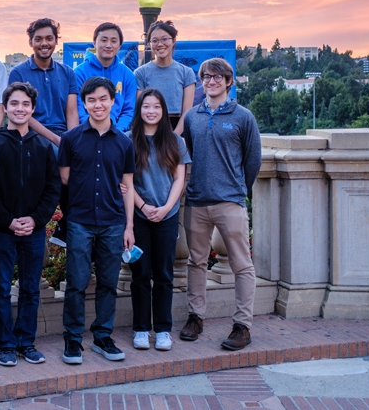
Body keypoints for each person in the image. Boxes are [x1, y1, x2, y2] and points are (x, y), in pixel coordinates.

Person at [180, 58, 262, 351]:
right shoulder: (192, 117)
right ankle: (195, 317)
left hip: (230, 202)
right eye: (206, 77)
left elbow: (252, 162)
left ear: (229, 81)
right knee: (196, 262)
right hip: (197, 201)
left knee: (242, 265)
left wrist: (237, 191)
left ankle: (242, 325)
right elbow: (186, 156)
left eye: (217, 77)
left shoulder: (243, 117)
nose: (211, 81)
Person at [59, 76, 136, 365]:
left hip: (113, 222)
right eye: (91, 100)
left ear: (112, 102)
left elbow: (128, 185)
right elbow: (65, 178)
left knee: (107, 282)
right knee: (76, 283)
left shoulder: (124, 143)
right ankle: (73, 338)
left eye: (103, 98)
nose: (97, 104)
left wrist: (129, 226)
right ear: (85, 103)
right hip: (79, 220)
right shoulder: (71, 139)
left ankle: (103, 336)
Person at [0, 82, 60, 367]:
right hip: (3, 230)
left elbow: (52, 189)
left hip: (33, 230)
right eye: (14, 104)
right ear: (5, 108)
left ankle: (26, 342)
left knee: (31, 288)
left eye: (25, 104)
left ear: (33, 109)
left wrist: (35, 219)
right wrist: (8, 221)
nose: (20, 109)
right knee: (2, 287)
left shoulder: (43, 147)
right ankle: (6, 343)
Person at [127, 89, 190, 352]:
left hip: (167, 216)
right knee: (140, 273)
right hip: (139, 216)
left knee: (164, 274)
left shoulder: (175, 141)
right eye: (146, 106)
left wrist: (165, 208)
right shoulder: (128, 140)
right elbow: (126, 182)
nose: (151, 111)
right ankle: (141, 329)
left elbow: (180, 179)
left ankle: (163, 329)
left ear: (163, 110)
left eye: (156, 106)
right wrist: (144, 206)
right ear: (139, 109)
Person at [7, 18, 79, 147]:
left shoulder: (68, 72)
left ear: (56, 41)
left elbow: (72, 112)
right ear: (31, 42)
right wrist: (56, 140)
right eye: (38, 39)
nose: (44, 43)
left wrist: (72, 141)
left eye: (49, 38)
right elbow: (22, 113)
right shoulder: (18, 73)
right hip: (31, 135)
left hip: (63, 134)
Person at [134, 21, 196, 134]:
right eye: (155, 40)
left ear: (173, 41)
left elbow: (187, 111)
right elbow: (140, 108)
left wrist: (175, 137)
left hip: (177, 129)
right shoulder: (140, 73)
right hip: (149, 129)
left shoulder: (187, 73)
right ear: (149, 43)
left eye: (164, 39)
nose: (160, 44)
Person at [73, 23, 137, 132]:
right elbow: (77, 107)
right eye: (104, 40)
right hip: (87, 131)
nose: (108, 45)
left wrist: (117, 131)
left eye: (113, 41)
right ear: (94, 43)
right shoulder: (78, 73)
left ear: (120, 45)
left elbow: (128, 110)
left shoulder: (128, 75)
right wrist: (93, 128)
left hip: (119, 133)